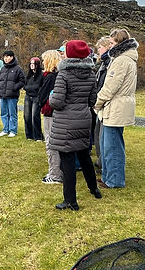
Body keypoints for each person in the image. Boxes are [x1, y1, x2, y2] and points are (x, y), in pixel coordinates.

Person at [47, 40, 102, 210]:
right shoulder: (91, 73)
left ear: (70, 54)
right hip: (84, 118)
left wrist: (51, 97)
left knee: (67, 161)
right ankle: (94, 189)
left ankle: (70, 200)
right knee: (84, 156)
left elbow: (56, 102)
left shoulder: (63, 74)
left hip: (66, 121)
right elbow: (92, 100)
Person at [94, 28, 138, 189]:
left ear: (119, 43)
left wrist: (96, 103)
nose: (110, 45)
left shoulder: (121, 61)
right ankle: (108, 176)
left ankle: (114, 180)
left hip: (115, 108)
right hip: (115, 107)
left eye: (112, 43)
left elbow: (110, 87)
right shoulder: (124, 59)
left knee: (112, 146)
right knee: (108, 145)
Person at [38, 49, 63, 184]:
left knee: (51, 143)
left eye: (44, 60)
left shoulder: (50, 77)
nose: (42, 62)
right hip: (57, 114)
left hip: (50, 113)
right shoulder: (59, 75)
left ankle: (54, 174)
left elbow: (42, 96)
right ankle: (57, 171)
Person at [92, 36, 115, 166]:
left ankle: (103, 163)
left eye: (100, 47)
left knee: (103, 136)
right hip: (100, 103)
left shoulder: (109, 63)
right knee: (98, 134)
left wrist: (98, 101)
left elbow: (107, 86)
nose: (98, 50)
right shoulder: (103, 63)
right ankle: (101, 161)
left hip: (105, 104)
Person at [0, 49, 26, 137]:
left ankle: (13, 130)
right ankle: (5, 129)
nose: (5, 59)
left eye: (7, 57)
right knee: (3, 113)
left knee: (12, 114)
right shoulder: (3, 68)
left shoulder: (18, 69)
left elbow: (22, 81)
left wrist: (14, 88)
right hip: (2, 95)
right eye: (4, 57)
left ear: (12, 57)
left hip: (12, 96)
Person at [22, 56, 45, 141]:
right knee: (27, 116)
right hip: (28, 96)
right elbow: (25, 84)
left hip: (36, 97)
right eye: (31, 64)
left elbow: (42, 86)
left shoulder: (41, 75)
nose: (32, 65)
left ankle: (38, 136)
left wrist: (38, 93)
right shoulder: (29, 75)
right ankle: (29, 135)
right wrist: (26, 88)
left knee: (35, 116)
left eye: (34, 64)